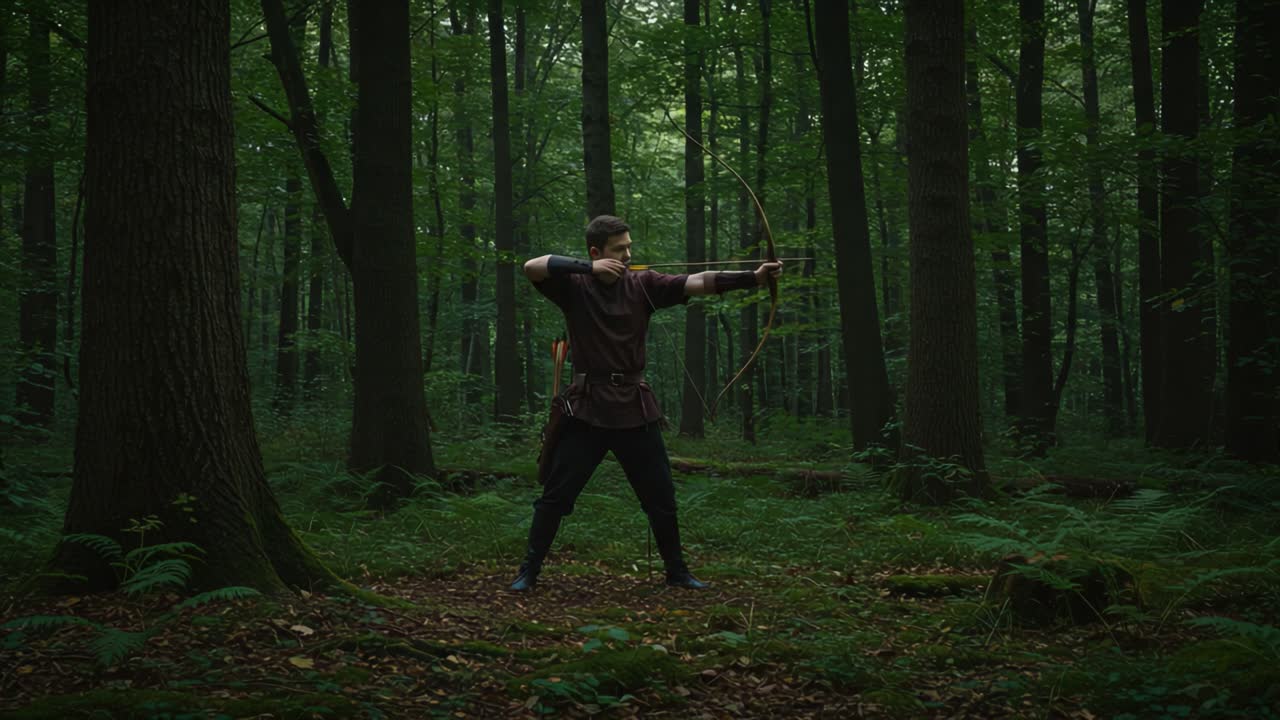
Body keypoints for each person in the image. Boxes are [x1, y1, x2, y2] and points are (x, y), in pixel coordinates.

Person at [511, 214, 782, 591]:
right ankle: (529, 571)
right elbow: (532, 267)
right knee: (556, 496)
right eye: (618, 249)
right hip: (587, 408)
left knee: (661, 496)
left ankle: (677, 572)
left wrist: (753, 277)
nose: (627, 254)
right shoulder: (573, 286)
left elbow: (697, 282)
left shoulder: (644, 282)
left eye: (629, 247)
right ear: (596, 252)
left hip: (635, 408)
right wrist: (588, 268)